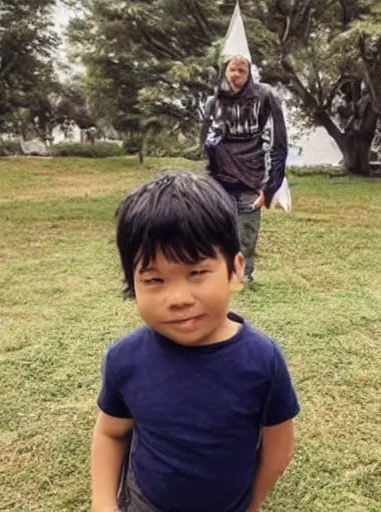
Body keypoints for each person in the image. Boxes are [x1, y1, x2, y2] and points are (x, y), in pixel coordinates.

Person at [89, 170, 299, 512]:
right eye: (154, 279)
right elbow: (111, 433)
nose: (178, 298)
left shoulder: (262, 361)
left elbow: (279, 447)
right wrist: (102, 502)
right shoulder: (125, 359)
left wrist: (252, 504)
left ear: (235, 271)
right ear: (133, 283)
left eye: (197, 273)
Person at [201, 51, 288, 284]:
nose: (237, 74)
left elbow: (277, 143)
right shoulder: (214, 102)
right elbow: (205, 146)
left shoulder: (265, 97)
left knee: (247, 232)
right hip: (221, 179)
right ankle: (218, 272)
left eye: (243, 70)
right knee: (218, 229)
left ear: (250, 74)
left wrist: (270, 186)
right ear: (224, 70)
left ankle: (243, 275)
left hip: (252, 176)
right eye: (233, 69)